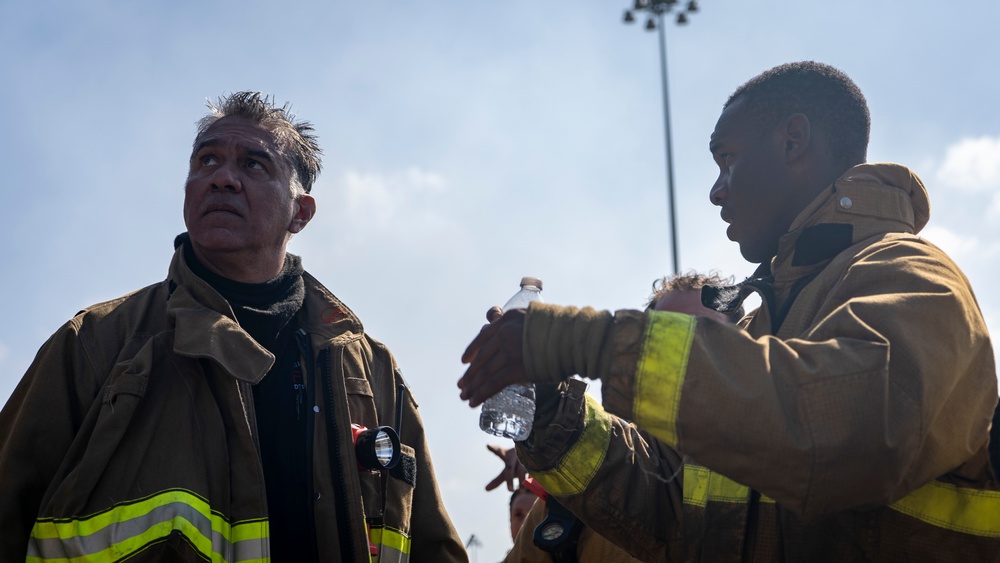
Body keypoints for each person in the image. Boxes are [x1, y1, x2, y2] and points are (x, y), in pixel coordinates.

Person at [459, 62, 999, 561]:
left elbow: (848, 431)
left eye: (727, 160)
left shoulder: (913, 278)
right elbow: (672, 515)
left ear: (793, 140)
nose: (716, 192)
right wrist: (551, 415)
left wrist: (584, 341)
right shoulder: (767, 323)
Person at [0, 92, 468, 562]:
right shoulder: (94, 345)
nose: (222, 178)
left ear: (300, 213)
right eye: (206, 160)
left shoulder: (373, 368)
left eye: (254, 165)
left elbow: (432, 546)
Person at [501, 273, 740, 563]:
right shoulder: (571, 502)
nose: (687, 353)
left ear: (743, 353)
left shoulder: (777, 472)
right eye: (668, 338)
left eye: (706, 336)